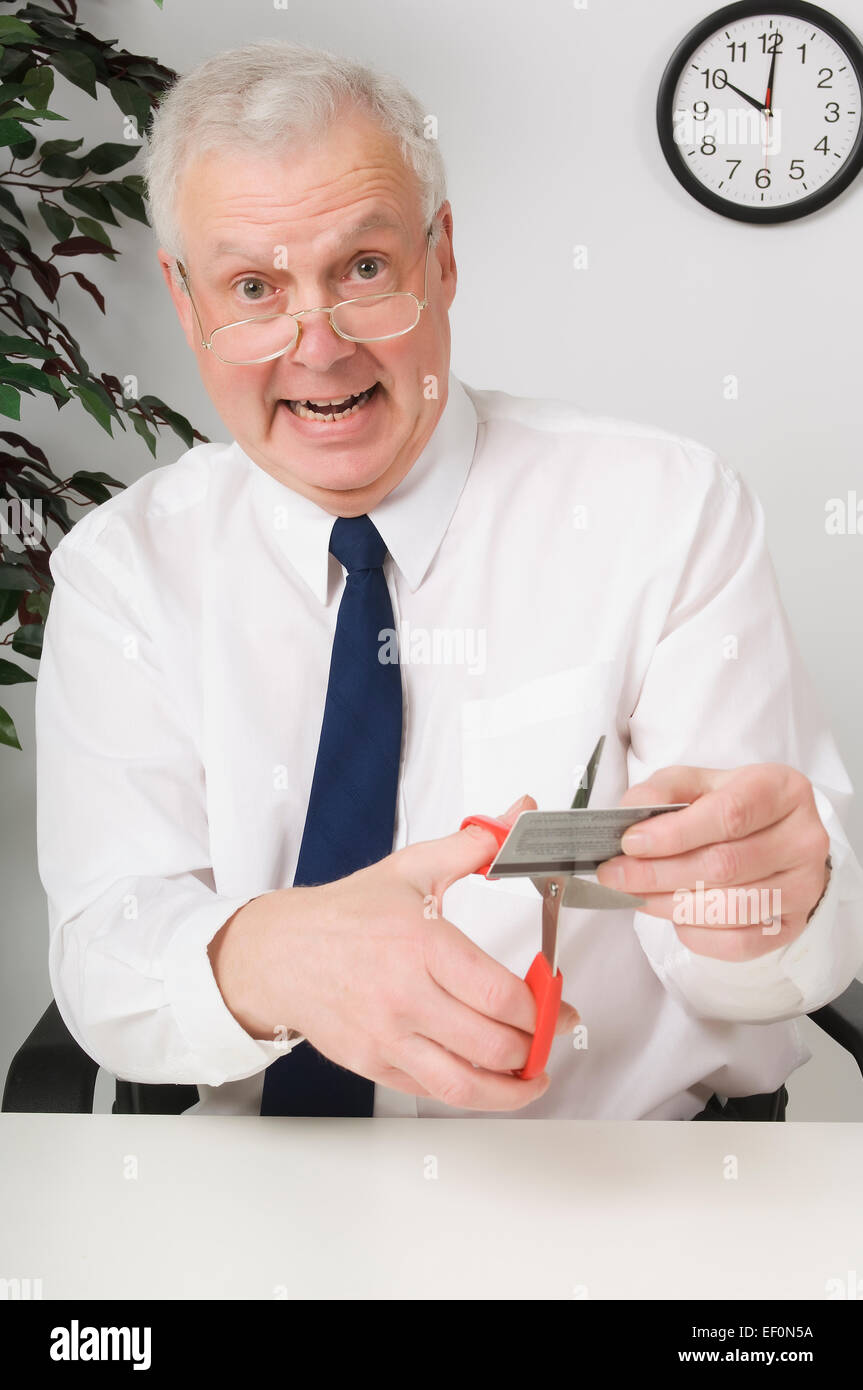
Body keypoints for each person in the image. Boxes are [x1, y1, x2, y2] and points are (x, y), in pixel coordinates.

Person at [35, 40, 863, 1122]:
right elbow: (106, 949)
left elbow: (752, 969)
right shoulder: (122, 570)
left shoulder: (665, 511)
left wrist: (759, 914)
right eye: (252, 288)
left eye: (363, 270)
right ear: (185, 306)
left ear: (442, 259)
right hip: (242, 1204)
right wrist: (276, 956)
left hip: (605, 1193)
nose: (316, 345)